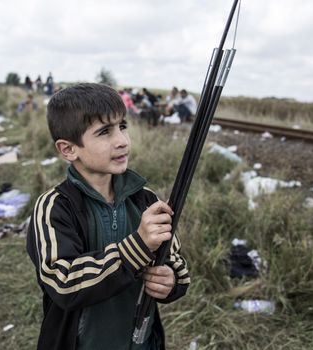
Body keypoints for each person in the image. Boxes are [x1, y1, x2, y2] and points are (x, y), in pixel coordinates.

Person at [26, 83, 190, 350]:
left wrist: (171, 281)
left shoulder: (146, 199)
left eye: (122, 126)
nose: (122, 140)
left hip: (141, 343)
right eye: (104, 132)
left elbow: (175, 263)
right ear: (68, 149)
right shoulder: (55, 207)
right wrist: (137, 247)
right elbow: (63, 282)